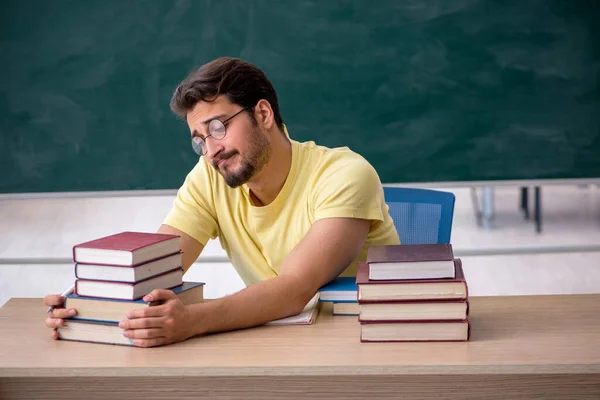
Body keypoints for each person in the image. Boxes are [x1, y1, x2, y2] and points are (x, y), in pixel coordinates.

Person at [44, 57, 400, 347]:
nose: (211, 150)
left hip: (367, 345)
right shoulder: (209, 177)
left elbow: (295, 289)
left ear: (263, 114)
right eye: (199, 139)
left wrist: (192, 321)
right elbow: (154, 269)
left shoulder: (345, 173)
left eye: (218, 127)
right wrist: (83, 306)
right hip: (281, 346)